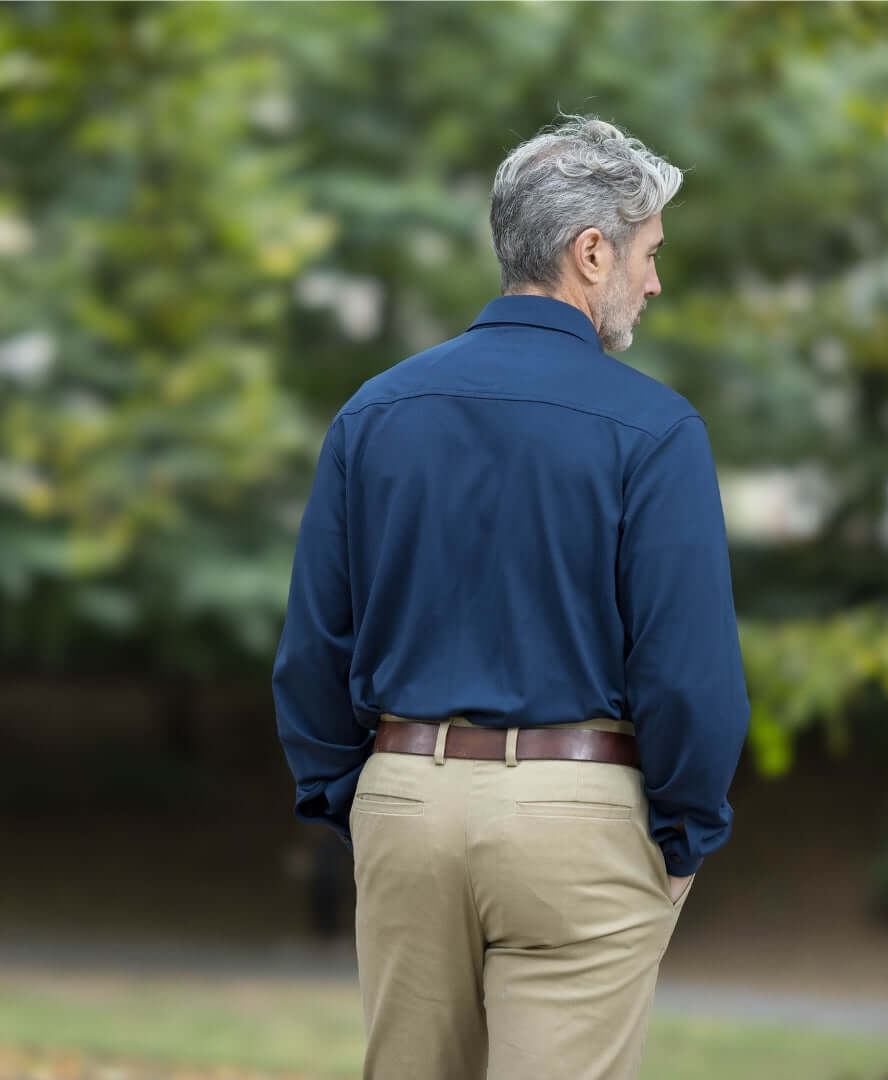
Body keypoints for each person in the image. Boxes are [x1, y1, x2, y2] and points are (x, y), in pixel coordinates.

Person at [272, 115, 750, 1080]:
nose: (654, 281)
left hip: (403, 800)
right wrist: (686, 834)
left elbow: (312, 650)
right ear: (590, 252)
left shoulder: (373, 413)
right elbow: (690, 677)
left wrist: (356, 804)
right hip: (578, 818)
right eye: (649, 254)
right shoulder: (655, 431)